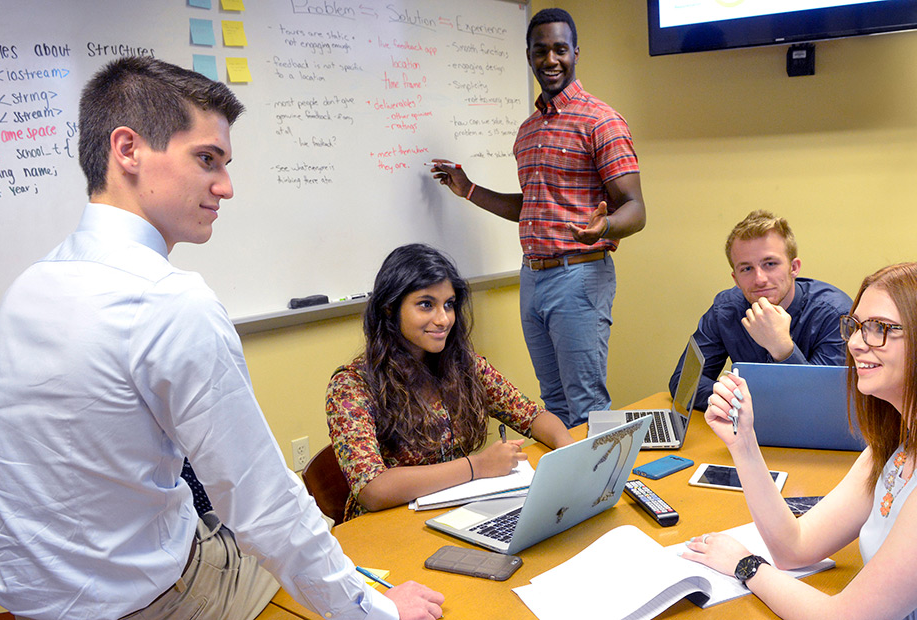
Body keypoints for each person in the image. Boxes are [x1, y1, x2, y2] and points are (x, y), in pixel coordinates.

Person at [0, 57, 443, 620]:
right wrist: (377, 611)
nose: (225, 186)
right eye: (206, 160)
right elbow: (263, 506)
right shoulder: (168, 299)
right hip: (156, 601)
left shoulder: (24, 291)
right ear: (128, 150)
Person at [681, 262, 917, 619]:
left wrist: (746, 566)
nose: (856, 343)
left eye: (879, 328)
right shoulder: (898, 445)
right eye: (856, 326)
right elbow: (795, 547)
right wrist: (742, 444)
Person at [430, 8, 647, 427]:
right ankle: (571, 494)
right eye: (541, 50)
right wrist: (470, 190)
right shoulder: (528, 131)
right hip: (533, 277)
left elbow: (635, 208)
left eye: (560, 49)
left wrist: (605, 226)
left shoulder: (601, 120)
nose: (551, 60)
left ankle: (600, 493)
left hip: (580, 276)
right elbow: (531, 207)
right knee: (551, 404)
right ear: (528, 55)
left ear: (576, 53)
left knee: (585, 403)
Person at [327, 244, 575, 521]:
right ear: (389, 308)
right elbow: (372, 489)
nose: (443, 319)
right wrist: (476, 467)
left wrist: (568, 450)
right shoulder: (352, 385)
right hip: (388, 526)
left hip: (456, 511)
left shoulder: (464, 364)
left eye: (449, 304)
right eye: (426, 304)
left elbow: (533, 416)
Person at [670, 210, 851, 410]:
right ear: (735, 279)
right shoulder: (726, 310)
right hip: (744, 431)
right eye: (746, 269)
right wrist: (742, 401)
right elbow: (683, 383)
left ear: (794, 267)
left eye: (770, 264)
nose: (760, 279)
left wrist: (783, 349)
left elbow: (826, 403)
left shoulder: (835, 313)